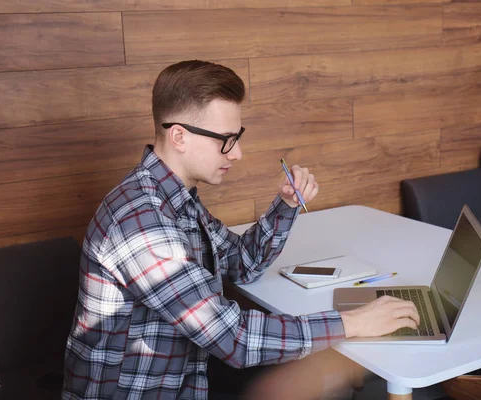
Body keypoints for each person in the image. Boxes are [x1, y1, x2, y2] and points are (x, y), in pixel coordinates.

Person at [62, 60, 419, 400]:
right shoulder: (141, 223)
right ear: (180, 137)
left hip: (189, 375)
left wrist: (287, 205)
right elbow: (233, 338)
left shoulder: (175, 198)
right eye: (227, 139)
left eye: (238, 137)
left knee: (318, 374)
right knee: (321, 373)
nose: (237, 153)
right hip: (149, 391)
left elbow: (240, 262)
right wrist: (352, 322)